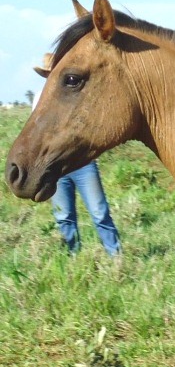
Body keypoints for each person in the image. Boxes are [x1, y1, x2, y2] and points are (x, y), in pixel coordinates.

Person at [32, 54, 121, 256]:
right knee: (64, 216)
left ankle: (115, 256)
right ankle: (74, 257)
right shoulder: (40, 98)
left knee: (99, 212)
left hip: (82, 163)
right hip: (55, 164)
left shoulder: (77, 95)